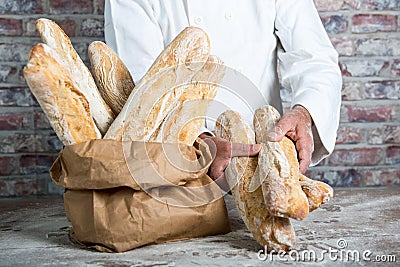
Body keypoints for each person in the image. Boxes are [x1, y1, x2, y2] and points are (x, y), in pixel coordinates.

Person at [104, 0, 342, 187]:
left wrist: (305, 113)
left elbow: (314, 59)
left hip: (263, 161)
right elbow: (140, 89)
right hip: (172, 172)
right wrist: (197, 143)